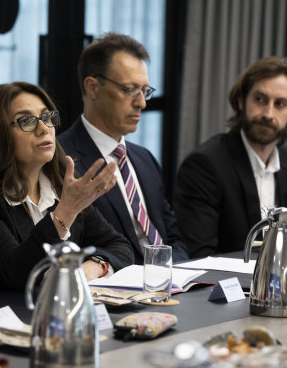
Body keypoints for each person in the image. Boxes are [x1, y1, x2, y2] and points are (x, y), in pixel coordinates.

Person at [0, 82, 134, 293]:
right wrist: (66, 212)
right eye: (27, 121)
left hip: (52, 313)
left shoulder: (59, 184)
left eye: (47, 117)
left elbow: (120, 246)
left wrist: (95, 267)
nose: (43, 129)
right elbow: (14, 272)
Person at [58, 32, 189, 264]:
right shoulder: (62, 159)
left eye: (145, 90)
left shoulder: (144, 158)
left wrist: (169, 275)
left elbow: (174, 238)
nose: (142, 102)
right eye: (130, 90)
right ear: (93, 88)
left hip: (168, 287)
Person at [173, 56, 287, 258]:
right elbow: (199, 256)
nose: (268, 113)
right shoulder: (205, 165)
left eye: (280, 104)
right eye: (260, 99)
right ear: (241, 101)